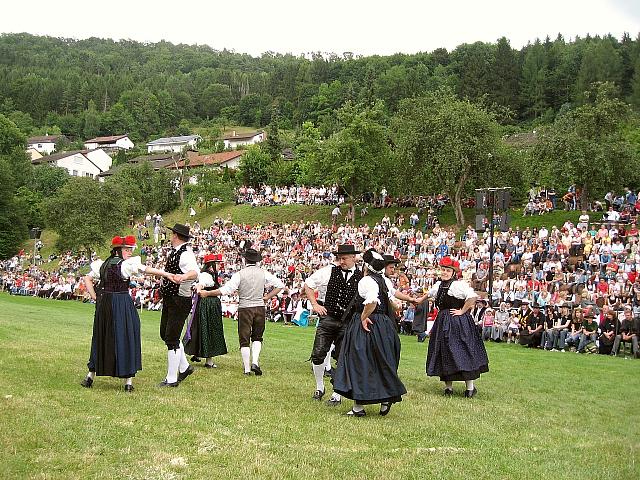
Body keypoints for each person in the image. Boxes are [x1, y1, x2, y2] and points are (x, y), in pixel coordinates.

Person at [81, 235, 172, 392]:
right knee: (126, 336)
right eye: (127, 249)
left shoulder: (102, 265)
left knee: (102, 336)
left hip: (104, 304)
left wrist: (96, 297)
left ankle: (90, 377)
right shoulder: (124, 265)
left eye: (130, 249)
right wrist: (166, 274)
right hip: (121, 303)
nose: (130, 252)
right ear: (118, 251)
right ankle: (128, 382)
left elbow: (87, 279)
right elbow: (145, 269)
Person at [333, 249, 417, 416]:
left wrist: (364, 316)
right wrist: (411, 299)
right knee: (381, 361)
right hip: (384, 325)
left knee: (359, 361)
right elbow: (393, 294)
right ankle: (385, 398)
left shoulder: (366, 281)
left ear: (366, 266)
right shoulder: (383, 280)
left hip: (367, 323)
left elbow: (371, 301)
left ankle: (358, 407)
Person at [199, 248, 284, 375]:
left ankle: (247, 368)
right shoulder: (264, 273)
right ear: (257, 261)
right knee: (257, 337)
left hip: (245, 307)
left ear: (245, 259)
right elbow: (280, 285)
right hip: (260, 307)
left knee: (244, 338)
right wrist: (267, 297)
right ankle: (255, 361)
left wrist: (207, 293)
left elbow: (226, 290)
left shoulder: (239, 274)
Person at [304, 244, 363, 406]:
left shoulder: (361, 276)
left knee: (342, 357)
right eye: (339, 258)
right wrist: (315, 304)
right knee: (318, 354)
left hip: (347, 322)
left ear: (353, 258)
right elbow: (308, 284)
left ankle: (337, 393)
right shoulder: (329, 271)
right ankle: (319, 387)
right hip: (328, 318)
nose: (341, 261)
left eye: (344, 258)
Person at [426, 256, 489, 398]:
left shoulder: (458, 285)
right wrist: (417, 300)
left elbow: (472, 297)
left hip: (458, 322)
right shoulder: (439, 285)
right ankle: (448, 388)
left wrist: (462, 310)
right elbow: (429, 294)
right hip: (443, 321)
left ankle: (470, 388)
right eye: (443, 270)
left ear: (453, 272)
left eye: (447, 271)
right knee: (445, 352)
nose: (444, 273)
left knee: (463, 351)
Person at [158, 224, 200, 388]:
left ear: (175, 235)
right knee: (165, 334)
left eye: (171, 234)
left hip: (179, 300)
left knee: (172, 338)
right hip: (171, 298)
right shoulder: (176, 252)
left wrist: (183, 277)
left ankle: (171, 379)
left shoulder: (186, 254)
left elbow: (195, 272)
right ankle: (184, 367)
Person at [185, 254, 228, 369]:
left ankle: (200, 354)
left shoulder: (210, 275)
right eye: (217, 263)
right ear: (210, 266)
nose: (219, 266)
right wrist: (199, 290)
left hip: (209, 305)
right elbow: (201, 284)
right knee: (208, 329)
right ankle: (208, 359)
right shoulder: (206, 275)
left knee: (204, 329)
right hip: (207, 306)